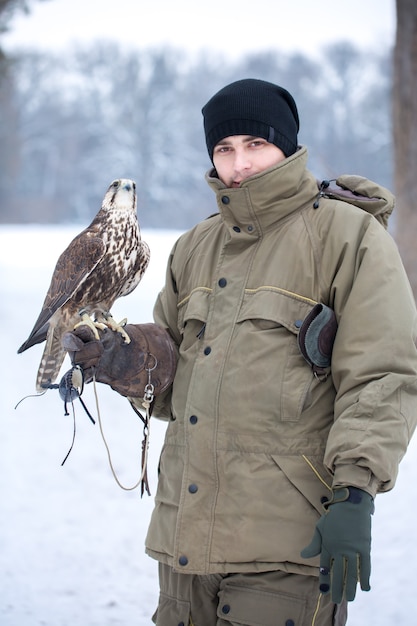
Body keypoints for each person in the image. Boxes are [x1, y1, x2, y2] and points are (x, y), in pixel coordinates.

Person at [64, 79, 417, 625]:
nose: (239, 163)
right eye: (224, 149)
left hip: (288, 544)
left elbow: (382, 375)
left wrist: (355, 492)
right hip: (186, 543)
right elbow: (175, 375)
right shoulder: (195, 246)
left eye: (255, 144)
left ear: (287, 147)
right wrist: (118, 356)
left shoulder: (347, 238)